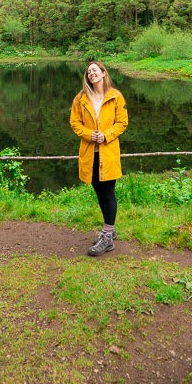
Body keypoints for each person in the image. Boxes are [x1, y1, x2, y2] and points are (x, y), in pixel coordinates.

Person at [70, 61, 128, 256]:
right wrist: (89, 134)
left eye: (94, 70)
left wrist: (106, 135)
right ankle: (109, 230)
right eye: (89, 72)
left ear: (104, 73)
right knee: (99, 191)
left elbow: (122, 123)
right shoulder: (81, 98)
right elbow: (75, 123)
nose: (91, 73)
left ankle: (108, 237)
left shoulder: (116, 96)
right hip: (89, 153)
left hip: (108, 152)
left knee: (108, 192)